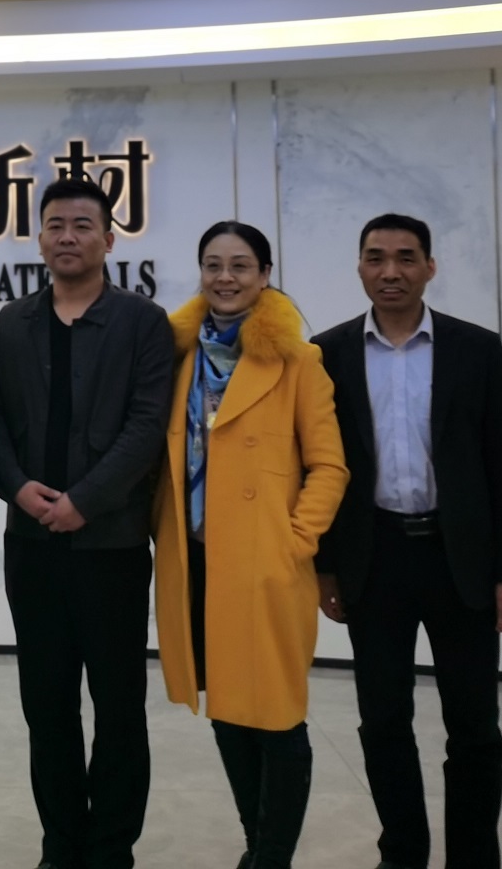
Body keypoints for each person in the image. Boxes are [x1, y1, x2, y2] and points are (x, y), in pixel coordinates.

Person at [313, 214, 502, 869]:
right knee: (383, 721)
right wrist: (325, 567)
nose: (391, 272)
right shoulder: (326, 353)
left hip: (459, 559)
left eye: (406, 258)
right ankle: (403, 853)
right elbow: (316, 465)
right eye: (376, 258)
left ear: (430, 267)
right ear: (359, 267)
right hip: (374, 559)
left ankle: (474, 857)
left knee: (474, 727)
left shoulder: (476, 348)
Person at [152, 221, 347, 869]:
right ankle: (255, 845)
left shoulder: (298, 360)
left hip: (266, 563)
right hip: (197, 560)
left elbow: (329, 465)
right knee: (229, 710)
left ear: (264, 275)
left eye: (240, 265)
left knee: (279, 718)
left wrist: (295, 541)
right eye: (213, 264)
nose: (225, 278)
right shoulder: (179, 357)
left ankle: (272, 858)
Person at [0, 178, 171, 869]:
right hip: (31, 547)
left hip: (112, 546)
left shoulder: (141, 323)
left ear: (109, 239)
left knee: (119, 706)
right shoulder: (13, 323)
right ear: (39, 238)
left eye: (82, 225)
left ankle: (111, 849)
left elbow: (147, 426)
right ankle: (61, 845)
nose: (67, 236)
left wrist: (85, 500)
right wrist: (17, 488)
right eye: (55, 225)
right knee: (47, 707)